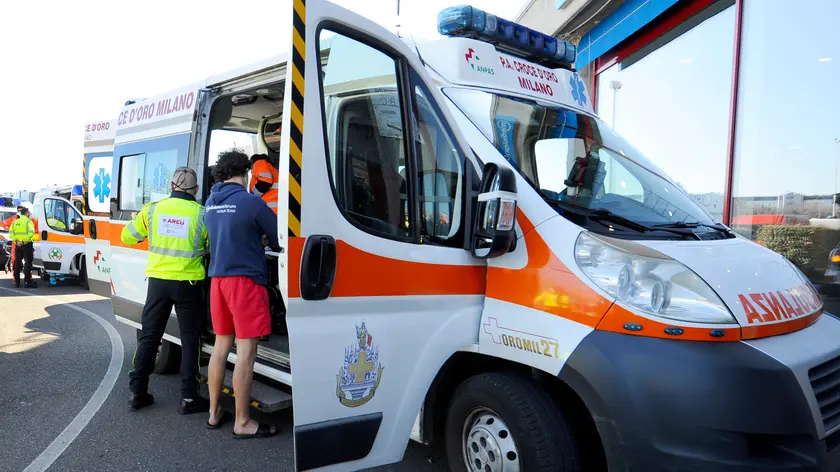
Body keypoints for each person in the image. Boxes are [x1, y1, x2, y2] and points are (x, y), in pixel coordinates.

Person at [122, 167, 210, 414]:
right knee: (190, 339)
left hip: (158, 283)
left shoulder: (152, 210)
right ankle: (189, 399)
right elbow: (209, 246)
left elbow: (127, 237)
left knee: (150, 337)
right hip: (188, 284)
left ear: (171, 186)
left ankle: (137, 393)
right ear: (195, 190)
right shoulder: (202, 214)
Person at [205, 150, 279, 438]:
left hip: (218, 281)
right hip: (245, 282)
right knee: (246, 352)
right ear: (246, 172)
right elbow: (277, 238)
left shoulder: (211, 203)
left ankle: (214, 413)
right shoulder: (251, 202)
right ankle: (243, 421)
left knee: (221, 347)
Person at [9, 207, 36, 288]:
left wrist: (17, 241)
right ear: (26, 213)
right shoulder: (29, 222)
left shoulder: (15, 222)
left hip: (18, 245)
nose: (30, 214)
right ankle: (27, 282)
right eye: (29, 212)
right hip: (26, 245)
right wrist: (23, 241)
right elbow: (31, 233)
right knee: (28, 263)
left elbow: (11, 234)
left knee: (17, 263)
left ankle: (16, 282)